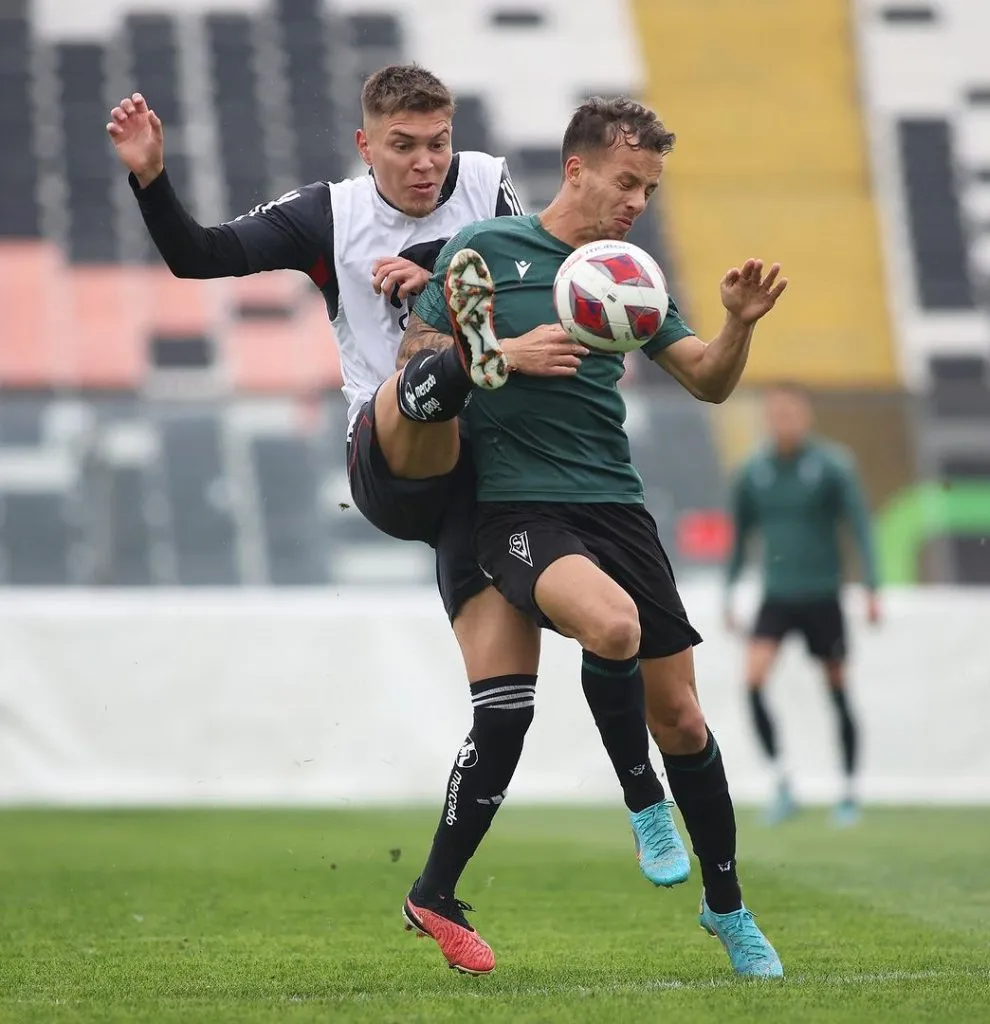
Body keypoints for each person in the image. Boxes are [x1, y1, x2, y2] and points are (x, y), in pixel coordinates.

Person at [106, 64, 687, 977]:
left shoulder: (490, 184)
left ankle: (434, 894)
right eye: (405, 147)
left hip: (483, 489)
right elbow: (199, 256)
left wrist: (442, 280)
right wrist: (150, 175)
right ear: (366, 145)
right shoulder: (326, 217)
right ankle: (448, 361)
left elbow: (523, 259)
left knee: (506, 710)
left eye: (438, 143)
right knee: (428, 382)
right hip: (393, 457)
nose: (426, 165)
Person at [404, 96, 786, 978]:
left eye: (649, 188)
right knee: (611, 627)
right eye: (626, 182)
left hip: (617, 506)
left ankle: (727, 908)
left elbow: (708, 383)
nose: (637, 202)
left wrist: (737, 326)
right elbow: (417, 367)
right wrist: (505, 354)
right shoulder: (486, 253)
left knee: (684, 718)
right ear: (575, 169)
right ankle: (642, 799)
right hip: (518, 510)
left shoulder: (625, 269)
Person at [724, 382, 881, 828]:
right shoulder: (753, 472)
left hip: (821, 595)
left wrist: (872, 587)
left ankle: (849, 790)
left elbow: (861, 527)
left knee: (836, 688)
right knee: (752, 680)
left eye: (790, 413)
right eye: (775, 414)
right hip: (777, 595)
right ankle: (782, 781)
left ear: (805, 417)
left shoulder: (832, 466)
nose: (782, 422)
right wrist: (730, 592)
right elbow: (740, 539)